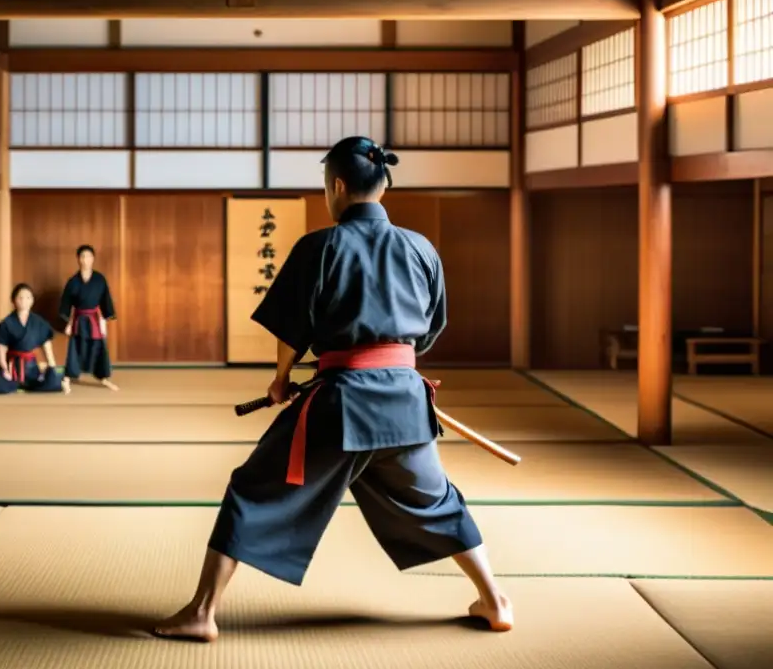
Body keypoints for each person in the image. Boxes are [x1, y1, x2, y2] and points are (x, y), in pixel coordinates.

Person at [153, 136, 512, 643]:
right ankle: (495, 601)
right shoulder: (421, 249)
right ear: (383, 183)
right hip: (406, 406)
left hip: (342, 407)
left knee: (252, 491)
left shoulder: (320, 247)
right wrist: (391, 366)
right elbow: (429, 330)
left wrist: (280, 382)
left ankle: (201, 612)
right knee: (437, 502)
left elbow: (291, 331)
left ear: (338, 186)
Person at [0, 283, 70, 395]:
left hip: (32, 368)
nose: (24, 300)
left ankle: (27, 384)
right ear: (13, 300)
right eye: (20, 297)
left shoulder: (39, 322)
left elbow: (46, 345)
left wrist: (51, 366)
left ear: (32, 300)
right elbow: (1, 348)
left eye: (28, 297)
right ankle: (15, 383)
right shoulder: (6, 323)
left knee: (53, 381)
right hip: (12, 367)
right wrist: (4, 368)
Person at [60, 245, 119, 391]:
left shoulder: (100, 280)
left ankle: (103, 377)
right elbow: (66, 303)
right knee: (75, 347)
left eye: (88, 256)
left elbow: (106, 301)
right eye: (82, 256)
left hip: (94, 319)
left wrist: (104, 321)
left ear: (93, 259)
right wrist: (68, 323)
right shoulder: (73, 281)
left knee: (98, 346)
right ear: (78, 259)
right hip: (78, 318)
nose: (85, 260)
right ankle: (68, 375)